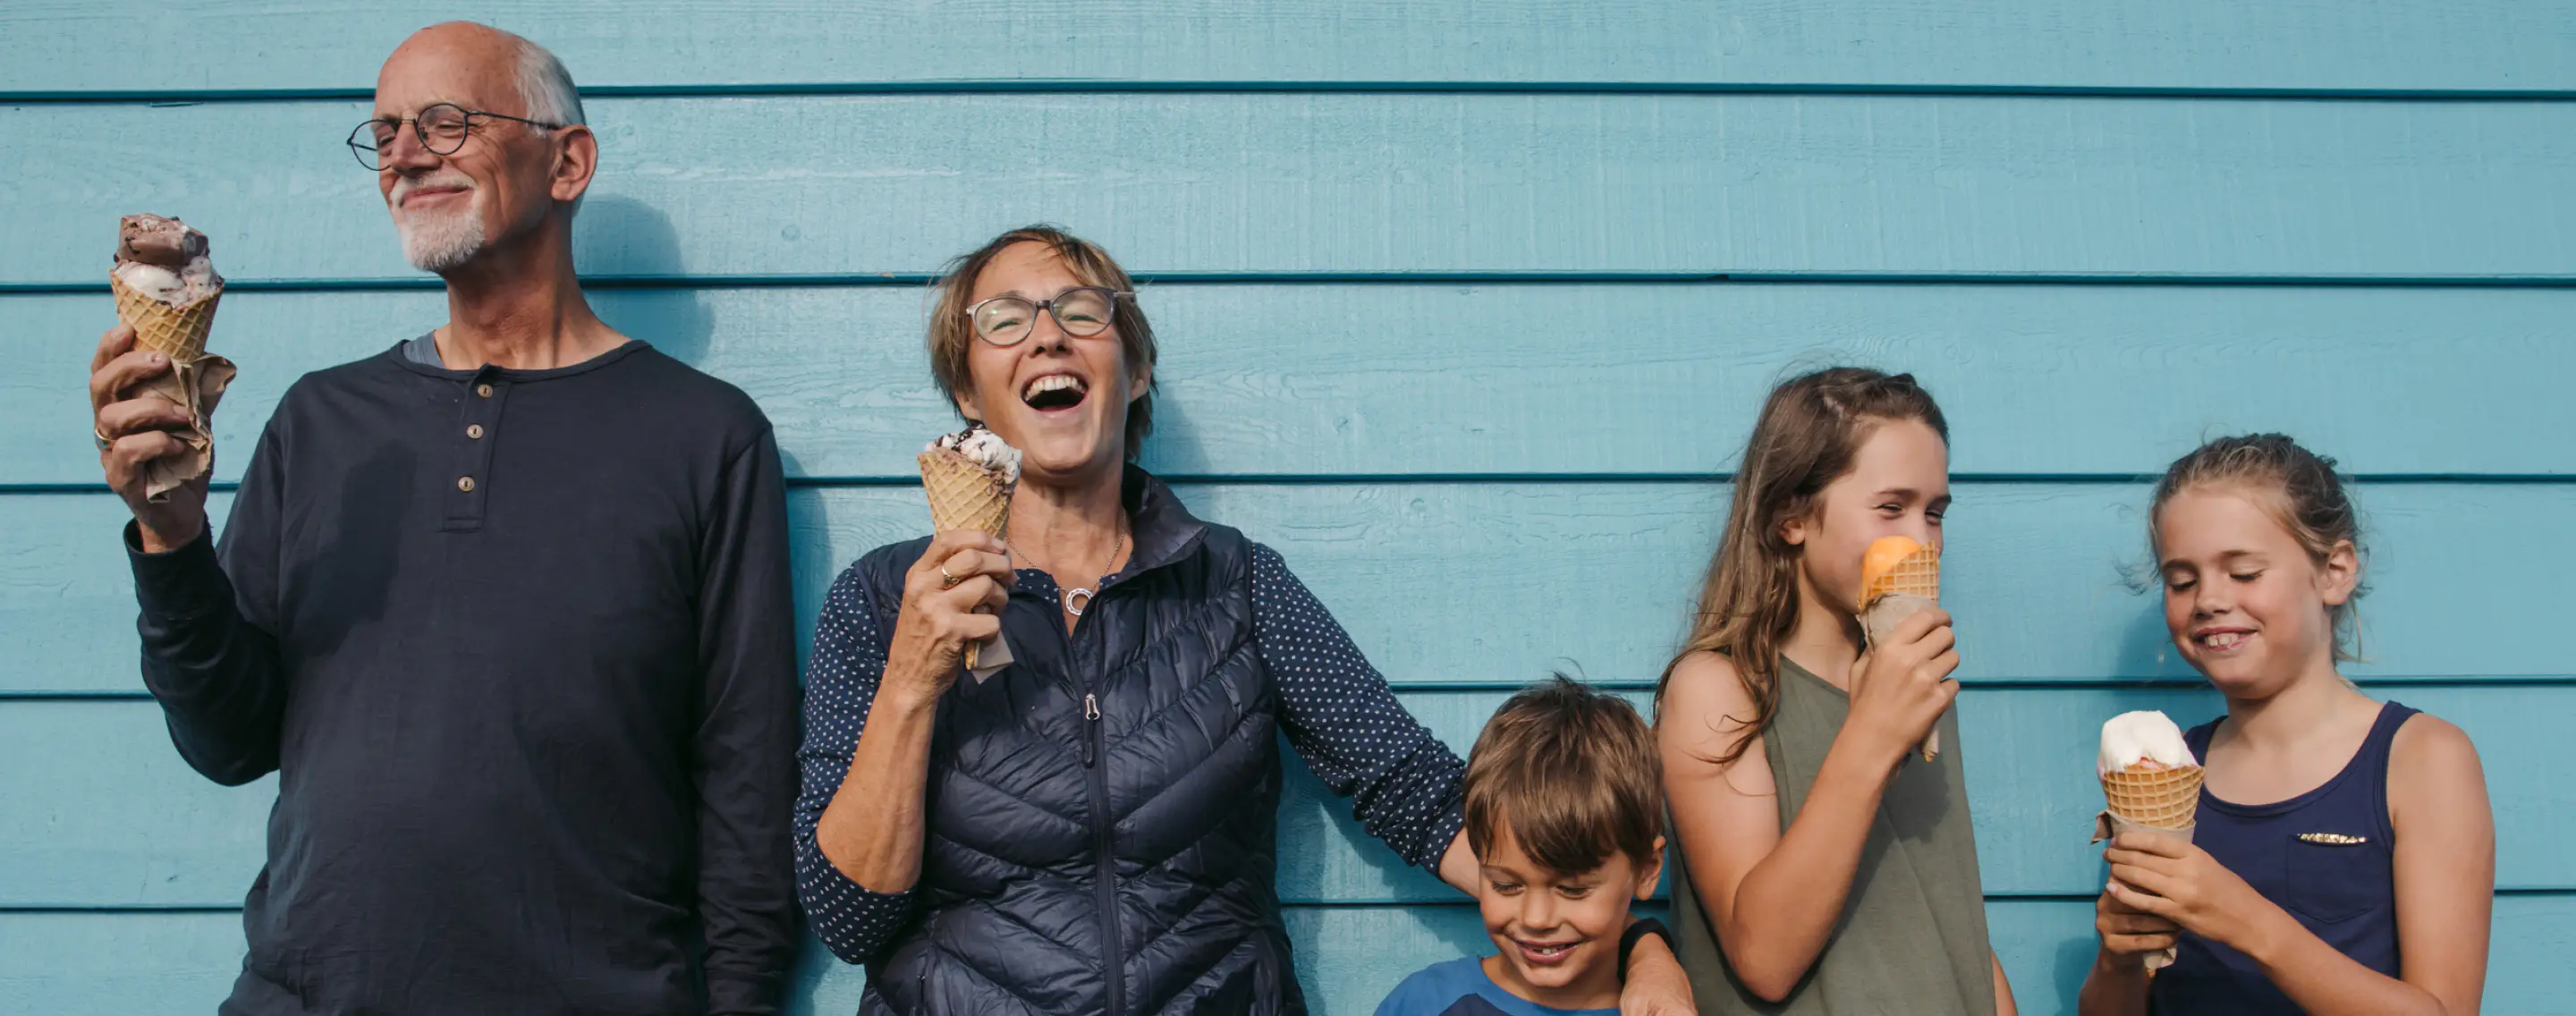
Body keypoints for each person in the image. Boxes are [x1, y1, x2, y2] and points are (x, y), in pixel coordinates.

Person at [85, 22, 800, 1013]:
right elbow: (230, 738)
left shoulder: (703, 435)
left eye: (446, 121)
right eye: (383, 134)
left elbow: (748, 774)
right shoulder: (323, 423)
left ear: (569, 160)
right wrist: (170, 535)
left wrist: (747, 999)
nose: (406, 153)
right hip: (314, 992)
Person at [793, 225, 1692, 1013]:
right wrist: (913, 678)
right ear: (965, 388)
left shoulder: (1236, 584)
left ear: (1136, 369)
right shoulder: (878, 602)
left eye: (1080, 311)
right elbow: (846, 913)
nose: (1046, 335)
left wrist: (1634, 941)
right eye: (1004, 319)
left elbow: (1410, 787)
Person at [2078, 435, 2494, 1016]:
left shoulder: (2421, 758)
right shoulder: (2165, 770)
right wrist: (2118, 959)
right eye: (2181, 580)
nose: (2209, 600)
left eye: (2244, 572)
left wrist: (2247, 922)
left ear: (2335, 573)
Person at [1657, 368, 2017, 1014]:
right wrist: (1872, 735)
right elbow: (1764, 955)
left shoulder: (1918, 680)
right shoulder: (1718, 690)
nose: (1920, 540)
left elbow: (1943, 912)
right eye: (1890, 507)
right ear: (1791, 516)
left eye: (1934, 513)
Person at [1376, 677, 1669, 1016]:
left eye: (1573, 890)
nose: (1536, 919)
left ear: (1647, 870)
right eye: (1506, 885)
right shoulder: (1424, 1004)